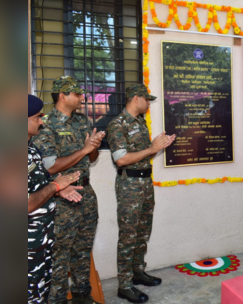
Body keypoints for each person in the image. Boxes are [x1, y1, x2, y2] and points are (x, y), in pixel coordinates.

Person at [33, 76, 106, 304]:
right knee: (60, 254)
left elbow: (91, 158)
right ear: (62, 96)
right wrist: (84, 150)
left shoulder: (82, 121)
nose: (81, 97)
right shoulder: (46, 123)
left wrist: (93, 146)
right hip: (61, 197)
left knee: (83, 250)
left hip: (85, 191)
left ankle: (83, 296)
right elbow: (51, 166)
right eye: (77, 94)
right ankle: (57, 300)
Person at [107, 84, 176, 303]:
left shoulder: (139, 122)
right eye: (147, 99)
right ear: (136, 99)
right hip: (130, 185)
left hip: (145, 182)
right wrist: (152, 149)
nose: (149, 103)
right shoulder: (117, 125)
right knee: (128, 235)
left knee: (142, 232)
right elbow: (122, 159)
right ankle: (124, 284)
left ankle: (137, 271)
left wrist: (158, 146)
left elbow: (142, 154)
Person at [28, 94, 84, 304]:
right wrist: (55, 186)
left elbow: (35, 185)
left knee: (40, 294)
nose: (41, 122)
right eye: (36, 117)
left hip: (40, 242)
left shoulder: (31, 148)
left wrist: (57, 190)